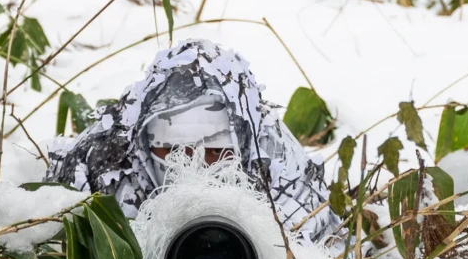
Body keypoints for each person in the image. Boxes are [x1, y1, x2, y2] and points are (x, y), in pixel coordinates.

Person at [44, 38, 335, 244]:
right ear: (144, 146)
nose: (194, 167)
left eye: (217, 151)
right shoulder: (105, 176)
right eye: (172, 151)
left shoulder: (280, 172)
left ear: (244, 146)